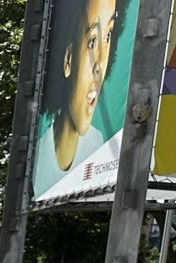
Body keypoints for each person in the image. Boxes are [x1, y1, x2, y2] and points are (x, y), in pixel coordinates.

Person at [33, 0, 124, 197]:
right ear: (68, 59)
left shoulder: (97, 145)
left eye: (108, 36)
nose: (100, 65)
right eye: (92, 41)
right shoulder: (37, 159)